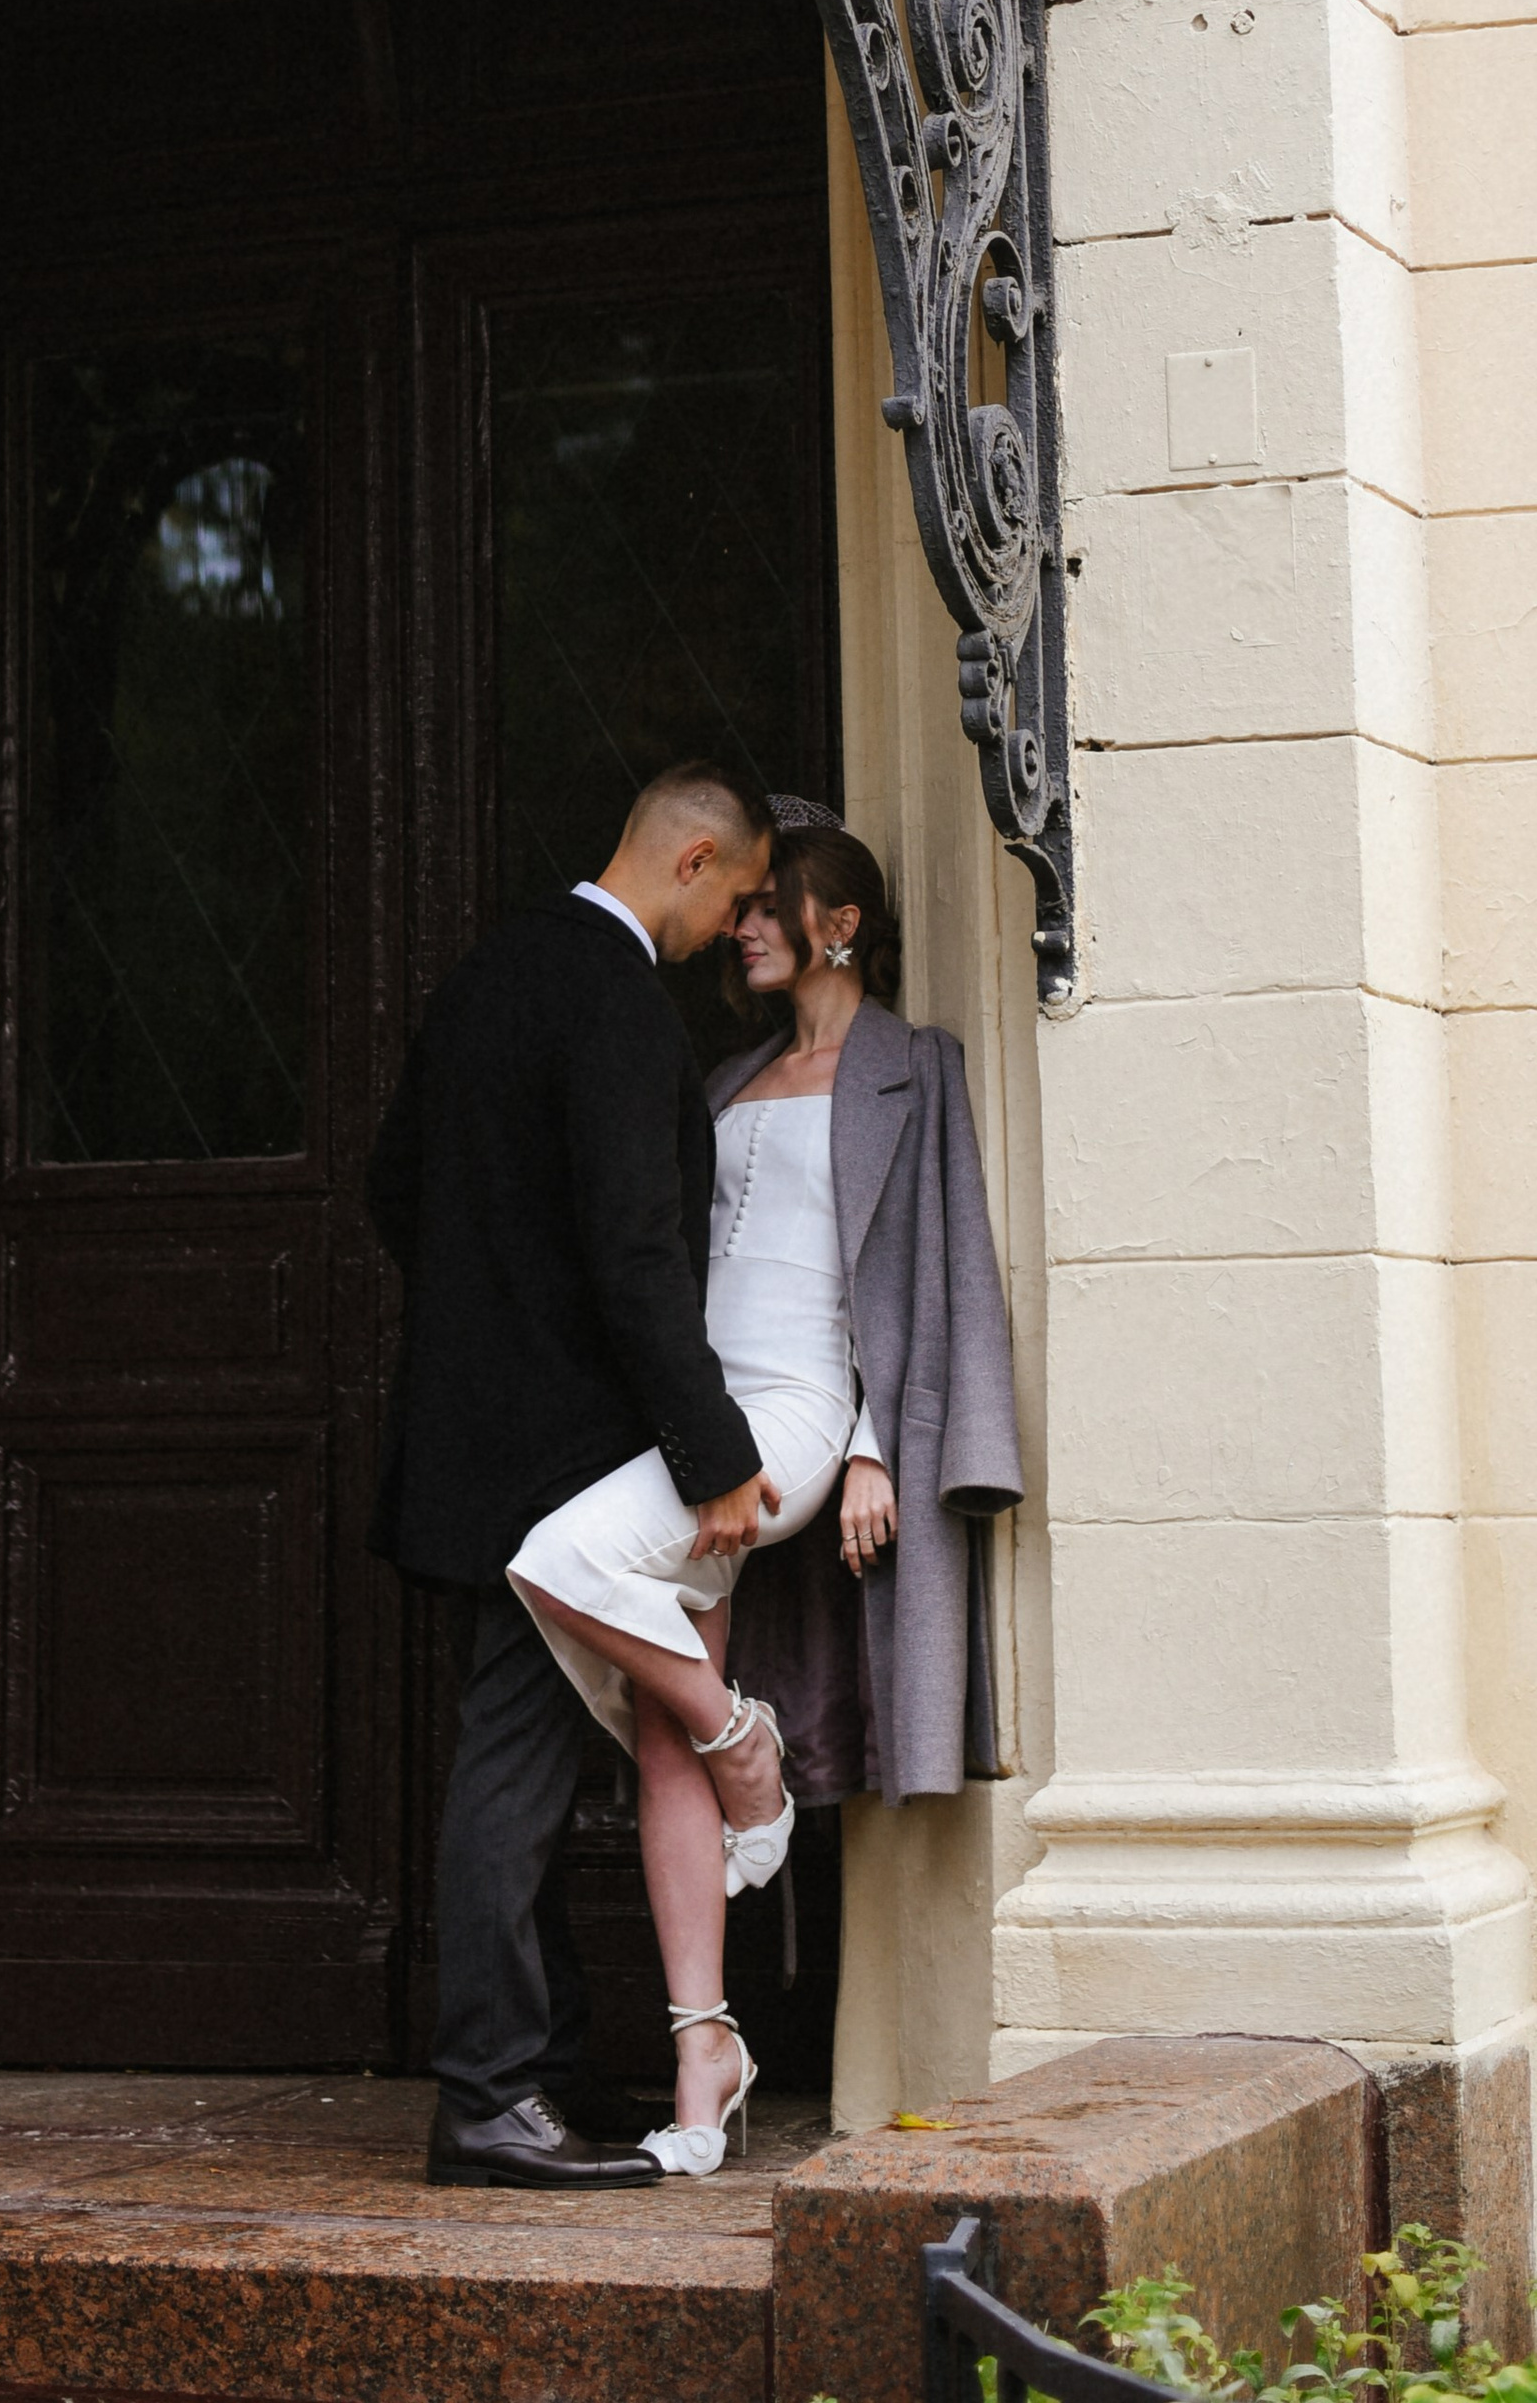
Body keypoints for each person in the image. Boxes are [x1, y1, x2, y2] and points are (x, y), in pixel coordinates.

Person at [508, 803, 1021, 2175]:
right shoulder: (725, 1076)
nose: (741, 922)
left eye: (767, 903)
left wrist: (868, 1441)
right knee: (649, 1709)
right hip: (696, 1416)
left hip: (791, 1416)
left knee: (559, 1559)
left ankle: (749, 1749)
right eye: (734, 904)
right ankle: (704, 2053)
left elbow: (926, 1275)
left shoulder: (915, 1068)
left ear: (837, 922)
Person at [368, 755, 779, 2190]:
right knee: (515, 1773)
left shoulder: (488, 973)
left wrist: (487, 1312)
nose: (735, 925)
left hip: (468, 1439)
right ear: (689, 860)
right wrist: (714, 1450)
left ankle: (539, 2066)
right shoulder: (613, 995)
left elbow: (390, 1178)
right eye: (735, 891)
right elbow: (632, 1245)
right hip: (558, 1464)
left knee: (514, 1762)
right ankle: (488, 2094)